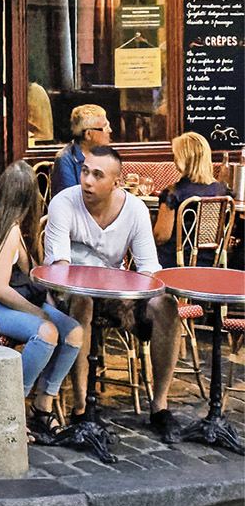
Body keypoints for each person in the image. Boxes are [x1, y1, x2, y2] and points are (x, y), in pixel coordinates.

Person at [45, 145, 183, 441]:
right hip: (69, 290)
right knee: (82, 301)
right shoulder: (63, 203)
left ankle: (160, 407)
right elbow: (59, 270)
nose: (87, 181)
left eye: (97, 175)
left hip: (117, 291)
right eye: (84, 171)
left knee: (166, 306)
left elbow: (149, 270)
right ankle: (82, 408)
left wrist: (131, 299)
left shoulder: (135, 210)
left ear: (116, 183)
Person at [0, 164, 84, 441]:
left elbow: (29, 273)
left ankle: (43, 405)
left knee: (73, 332)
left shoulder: (3, 222)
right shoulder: (4, 229)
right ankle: (10, 410)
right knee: (46, 332)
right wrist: (41, 314)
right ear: (29, 200)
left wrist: (50, 303)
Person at [155, 130, 231, 269]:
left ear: (182, 159)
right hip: (212, 264)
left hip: (176, 263)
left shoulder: (173, 193)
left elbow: (161, 236)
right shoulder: (223, 191)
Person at [51, 104, 112, 194]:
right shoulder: (65, 160)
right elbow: (68, 200)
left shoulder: (106, 155)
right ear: (88, 134)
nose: (110, 130)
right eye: (105, 127)